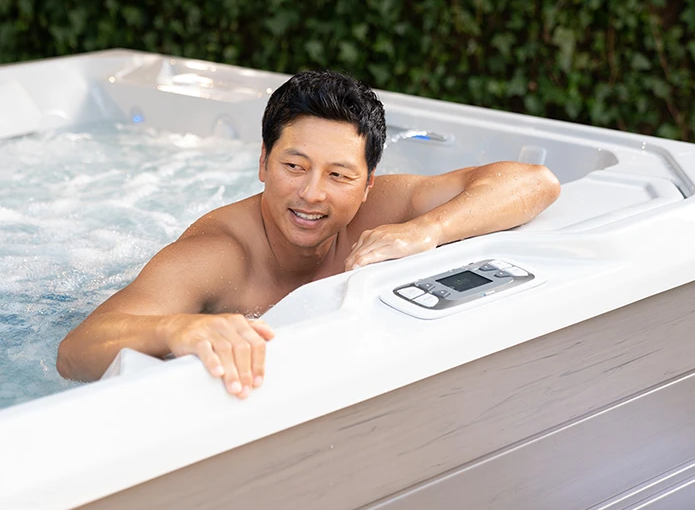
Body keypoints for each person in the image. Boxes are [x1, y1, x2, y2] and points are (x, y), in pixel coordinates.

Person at [57, 70, 560, 397]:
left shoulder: (380, 208)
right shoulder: (216, 256)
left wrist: (428, 230)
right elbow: (76, 351)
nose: (312, 194)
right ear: (262, 162)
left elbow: (535, 182)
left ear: (367, 186)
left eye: (339, 175)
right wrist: (177, 329)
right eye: (294, 166)